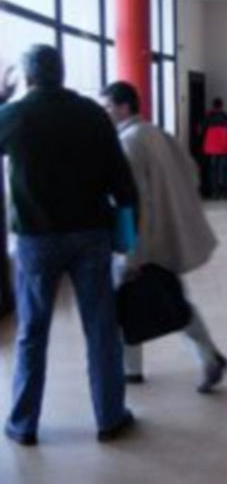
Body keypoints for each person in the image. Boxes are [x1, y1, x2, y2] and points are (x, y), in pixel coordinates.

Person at [0, 45, 138, 445]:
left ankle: (23, 424)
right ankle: (110, 418)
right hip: (91, 235)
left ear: (28, 77)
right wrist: (128, 235)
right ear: (61, 73)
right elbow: (121, 180)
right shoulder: (92, 114)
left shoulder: (14, 115)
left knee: (32, 332)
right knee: (101, 329)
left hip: (36, 239)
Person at [101, 81, 227, 393]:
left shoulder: (127, 143)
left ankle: (138, 368)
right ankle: (202, 356)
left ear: (123, 107)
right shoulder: (157, 133)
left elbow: (134, 201)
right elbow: (191, 173)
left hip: (142, 240)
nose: (104, 113)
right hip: (165, 233)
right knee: (168, 300)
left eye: (107, 107)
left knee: (133, 302)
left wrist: (131, 252)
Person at [201, 98, 227, 199]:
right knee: (225, 170)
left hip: (212, 148)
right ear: (222, 106)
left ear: (213, 106)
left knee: (213, 171)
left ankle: (214, 192)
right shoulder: (226, 117)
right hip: (224, 147)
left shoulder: (208, 117)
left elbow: (201, 130)